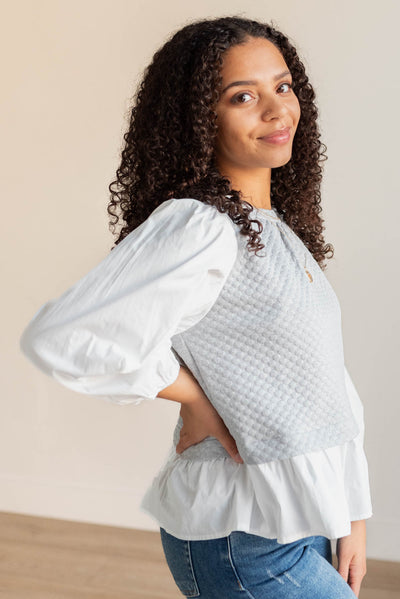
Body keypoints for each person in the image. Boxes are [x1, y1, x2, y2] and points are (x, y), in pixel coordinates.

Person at [19, 15, 373, 599]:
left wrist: (350, 515)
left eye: (282, 87)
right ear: (199, 119)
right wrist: (195, 399)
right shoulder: (201, 225)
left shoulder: (272, 228)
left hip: (300, 522)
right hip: (243, 540)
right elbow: (60, 336)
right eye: (242, 96)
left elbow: (324, 382)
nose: (276, 111)